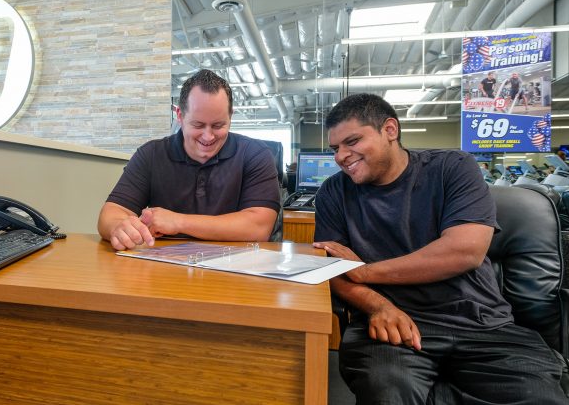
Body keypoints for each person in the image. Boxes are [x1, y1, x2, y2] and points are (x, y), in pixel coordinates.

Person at [312, 93, 565, 404]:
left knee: (538, 397)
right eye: (336, 148)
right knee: (387, 392)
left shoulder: (452, 167)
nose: (341, 156)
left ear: (390, 129)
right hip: (393, 325)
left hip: (482, 324)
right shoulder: (334, 192)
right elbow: (333, 271)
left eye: (352, 141)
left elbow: (464, 251)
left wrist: (364, 271)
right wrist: (379, 307)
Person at [97, 69, 281, 250]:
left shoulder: (255, 155)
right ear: (180, 116)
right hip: (166, 267)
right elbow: (111, 214)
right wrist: (119, 228)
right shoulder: (151, 154)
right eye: (198, 125)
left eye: (218, 125)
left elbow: (258, 228)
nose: (208, 137)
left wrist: (178, 222)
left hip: (236, 268)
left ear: (230, 116)